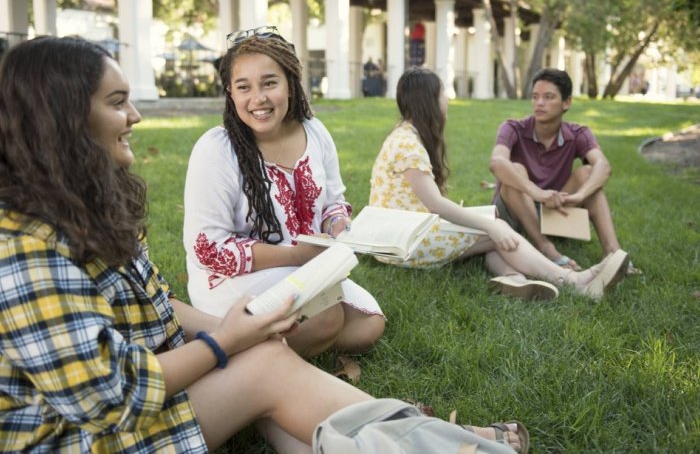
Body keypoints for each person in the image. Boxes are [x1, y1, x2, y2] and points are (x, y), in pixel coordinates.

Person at [0, 37, 528, 453]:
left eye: (269, 83)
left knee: (299, 352)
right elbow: (108, 396)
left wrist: (250, 330)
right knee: (271, 364)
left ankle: (414, 436)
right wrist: (226, 341)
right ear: (62, 120)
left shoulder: (81, 206)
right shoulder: (24, 251)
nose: (136, 116)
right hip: (77, 436)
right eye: (118, 103)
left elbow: (159, 307)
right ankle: (451, 443)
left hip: (166, 366)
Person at [184, 27, 385, 358]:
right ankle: (242, 350)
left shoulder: (315, 132)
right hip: (237, 277)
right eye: (243, 87)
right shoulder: (216, 149)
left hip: (307, 268)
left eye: (269, 83)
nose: (257, 99)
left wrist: (339, 227)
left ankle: (260, 341)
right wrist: (295, 255)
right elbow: (209, 250)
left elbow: (334, 202)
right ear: (230, 93)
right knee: (326, 319)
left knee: (369, 324)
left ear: (290, 84)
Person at [369, 67, 629, 300]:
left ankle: (512, 278)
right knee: (495, 229)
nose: (446, 100)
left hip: (401, 236)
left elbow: (602, 166)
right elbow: (436, 204)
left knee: (492, 230)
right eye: (443, 94)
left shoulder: (404, 136)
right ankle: (574, 280)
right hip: (405, 243)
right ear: (429, 101)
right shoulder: (408, 145)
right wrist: (491, 227)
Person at [489, 68, 639, 274]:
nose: (539, 103)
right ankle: (546, 248)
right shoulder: (512, 127)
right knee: (514, 169)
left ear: (566, 103)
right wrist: (536, 192)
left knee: (588, 173)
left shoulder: (578, 133)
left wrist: (579, 196)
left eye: (548, 97)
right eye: (535, 97)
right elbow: (497, 162)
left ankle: (613, 252)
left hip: (554, 212)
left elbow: (603, 166)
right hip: (513, 213)